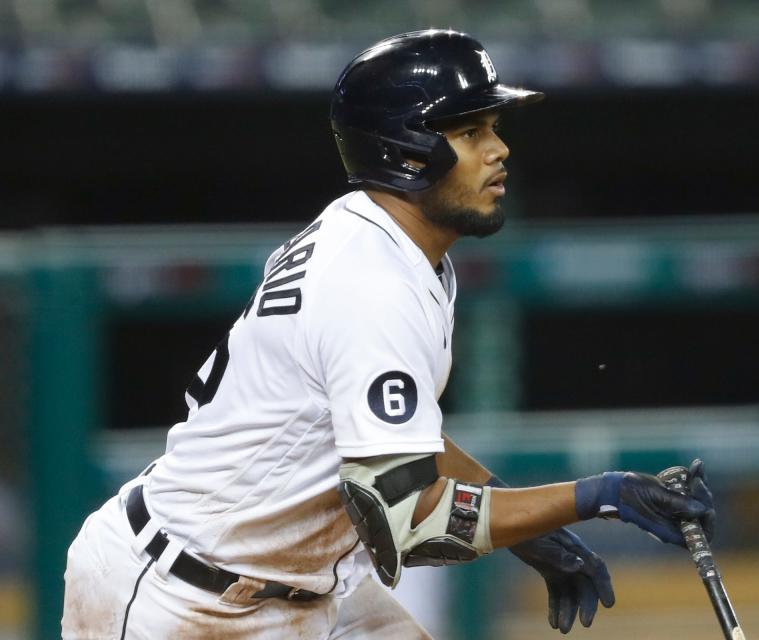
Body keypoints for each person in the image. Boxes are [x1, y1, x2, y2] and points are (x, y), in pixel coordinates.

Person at [61, 29, 715, 639]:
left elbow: (401, 442)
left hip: (297, 585)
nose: (499, 149)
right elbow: (409, 526)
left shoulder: (391, 244)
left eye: (492, 126)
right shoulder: (368, 283)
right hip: (181, 597)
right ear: (405, 150)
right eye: (469, 131)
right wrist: (595, 496)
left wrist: (520, 524)